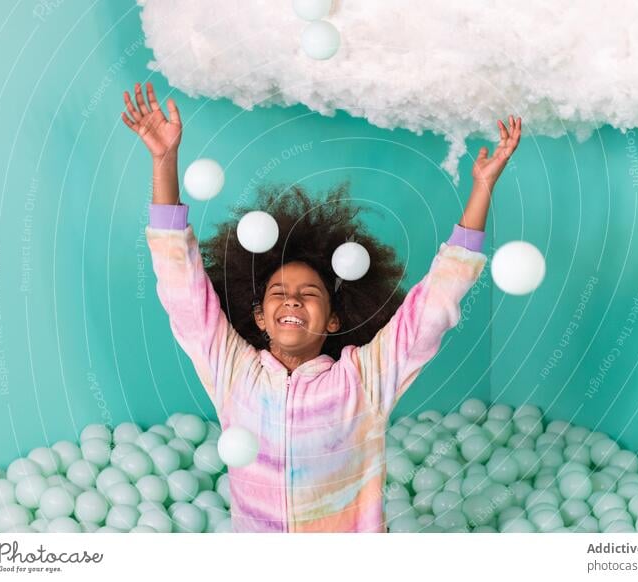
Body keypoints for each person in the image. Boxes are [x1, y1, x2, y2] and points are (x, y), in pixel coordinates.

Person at [122, 81, 522, 532]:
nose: (292, 298)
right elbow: (182, 286)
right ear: (259, 317)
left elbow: (433, 307)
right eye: (277, 293)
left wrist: (482, 189)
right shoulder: (231, 371)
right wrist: (163, 161)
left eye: (309, 293)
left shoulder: (363, 380)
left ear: (333, 318)